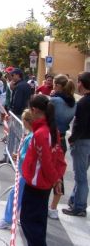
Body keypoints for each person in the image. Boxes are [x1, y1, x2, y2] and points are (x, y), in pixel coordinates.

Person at [21, 94, 66, 246]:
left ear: (33, 110)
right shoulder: (51, 129)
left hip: (37, 184)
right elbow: (59, 157)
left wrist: (56, 180)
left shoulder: (41, 133)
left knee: (29, 223)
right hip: (44, 184)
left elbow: (46, 161)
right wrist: (57, 178)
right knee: (38, 223)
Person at [0, 109, 34, 230]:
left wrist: (19, 155)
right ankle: (22, 216)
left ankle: (7, 219)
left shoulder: (32, 136)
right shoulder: (32, 134)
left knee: (15, 194)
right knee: (23, 195)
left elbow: (30, 155)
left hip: (26, 173)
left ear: (27, 121)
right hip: (27, 172)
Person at [48, 74, 76, 219]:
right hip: (62, 140)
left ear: (58, 86)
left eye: (53, 84)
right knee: (58, 172)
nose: (52, 86)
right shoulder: (73, 104)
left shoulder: (54, 101)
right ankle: (53, 207)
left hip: (51, 139)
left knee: (45, 170)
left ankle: (42, 204)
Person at [63, 71, 90, 217]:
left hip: (83, 141)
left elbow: (80, 124)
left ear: (82, 83)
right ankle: (75, 200)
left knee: (80, 177)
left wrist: (72, 138)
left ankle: (79, 207)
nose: (77, 84)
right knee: (82, 175)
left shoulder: (84, 102)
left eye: (78, 81)